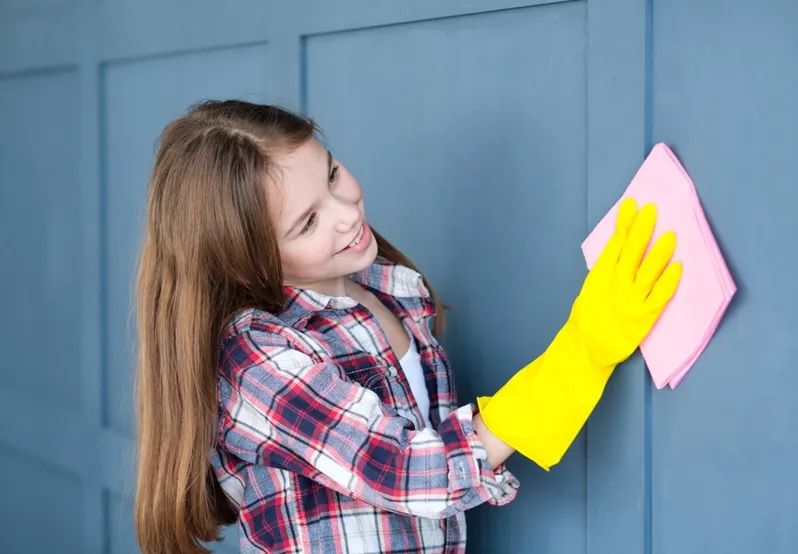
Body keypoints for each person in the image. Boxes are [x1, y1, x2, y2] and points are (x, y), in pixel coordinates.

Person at [133, 99, 682, 554]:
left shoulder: (388, 291)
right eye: (308, 221)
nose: (346, 211)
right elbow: (408, 472)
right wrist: (581, 354)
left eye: (330, 174)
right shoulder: (259, 359)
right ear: (246, 259)